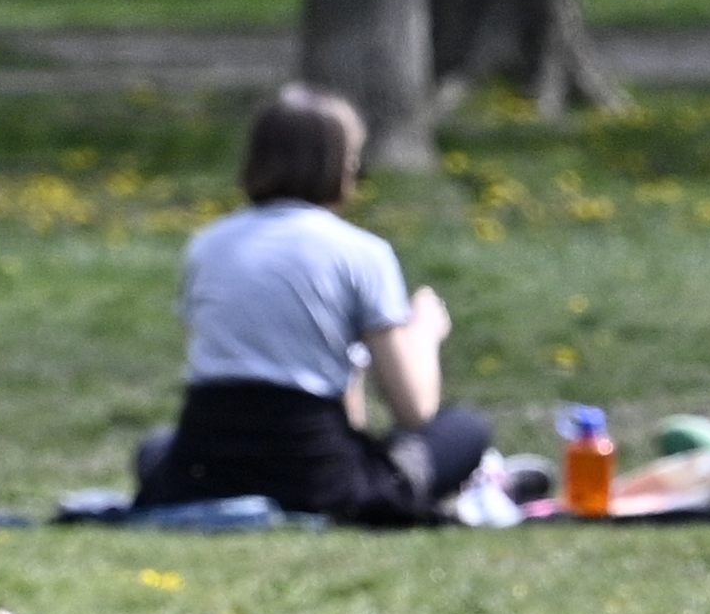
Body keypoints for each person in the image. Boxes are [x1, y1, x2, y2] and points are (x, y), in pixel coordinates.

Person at [134, 86, 492, 526]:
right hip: (313, 476)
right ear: (341, 166)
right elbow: (415, 409)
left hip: (206, 470)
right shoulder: (361, 252)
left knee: (155, 449)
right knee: (465, 430)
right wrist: (425, 332)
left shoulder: (206, 246)